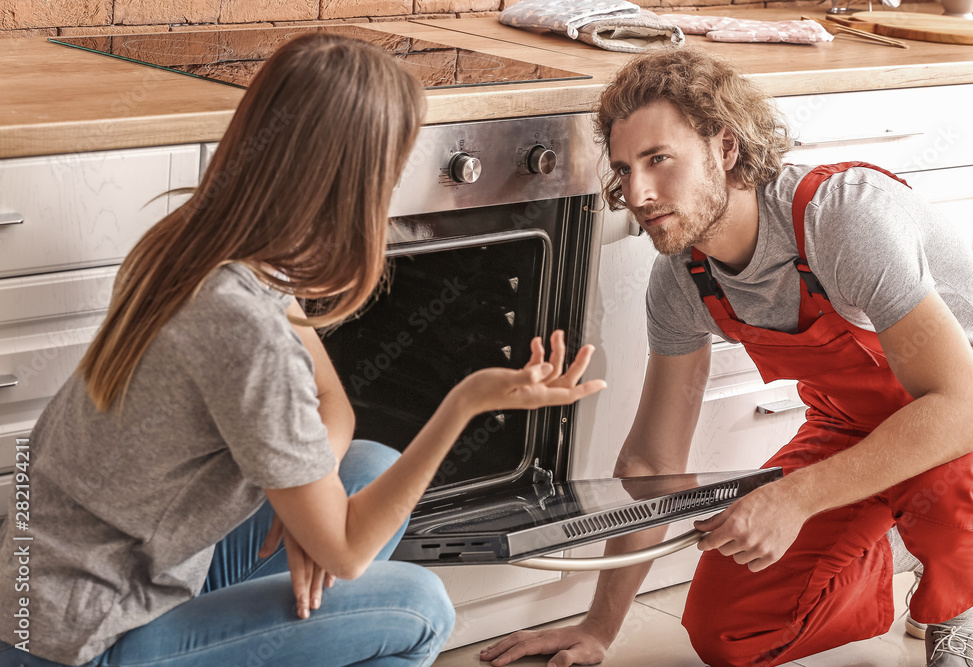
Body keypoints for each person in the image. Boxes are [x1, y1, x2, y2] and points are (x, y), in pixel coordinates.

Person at [0, 33, 605, 667]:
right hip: (79, 642)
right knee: (420, 608)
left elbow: (332, 402)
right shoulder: (244, 328)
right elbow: (345, 551)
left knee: (365, 465)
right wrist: (464, 403)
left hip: (53, 585)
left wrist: (307, 507)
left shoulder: (196, 242)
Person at [480, 48, 973, 667]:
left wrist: (798, 498)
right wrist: (598, 627)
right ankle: (888, 537)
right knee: (727, 634)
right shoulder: (681, 280)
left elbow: (963, 411)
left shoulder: (841, 217)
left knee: (949, 483)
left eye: (659, 159)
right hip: (851, 421)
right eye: (624, 168)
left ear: (725, 148)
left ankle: (954, 606)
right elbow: (652, 460)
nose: (639, 193)